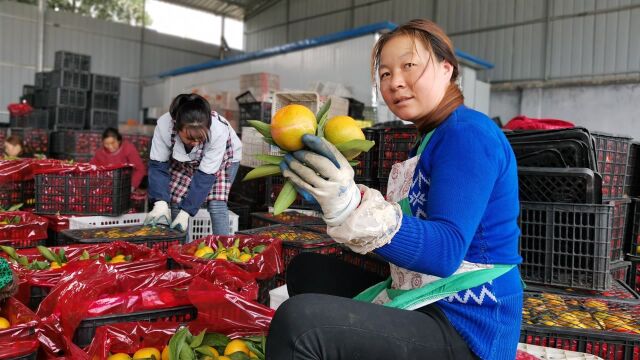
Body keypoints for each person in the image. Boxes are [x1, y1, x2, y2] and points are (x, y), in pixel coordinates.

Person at [267, 19, 522, 360]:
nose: (395, 82)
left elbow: (445, 252)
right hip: (423, 294)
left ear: (446, 70)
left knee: (298, 324)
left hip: (465, 322)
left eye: (409, 66)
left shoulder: (467, 134)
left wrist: (353, 209)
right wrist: (341, 199)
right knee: (308, 270)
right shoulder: (429, 139)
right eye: (385, 73)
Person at [144, 93, 239, 235]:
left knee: (216, 203)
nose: (195, 142)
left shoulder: (218, 132)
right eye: (189, 138)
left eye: (200, 138)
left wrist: (186, 212)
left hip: (222, 159)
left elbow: (205, 177)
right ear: (176, 127)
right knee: (176, 198)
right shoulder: (164, 126)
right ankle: (180, 248)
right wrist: (160, 202)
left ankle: (223, 250)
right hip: (183, 159)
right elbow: (158, 165)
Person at [90, 128, 146, 192]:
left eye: (113, 143)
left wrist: (132, 186)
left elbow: (140, 169)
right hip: (107, 187)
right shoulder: (100, 153)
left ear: (119, 140)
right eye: (106, 144)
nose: (110, 146)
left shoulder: (128, 148)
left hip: (127, 184)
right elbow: (92, 167)